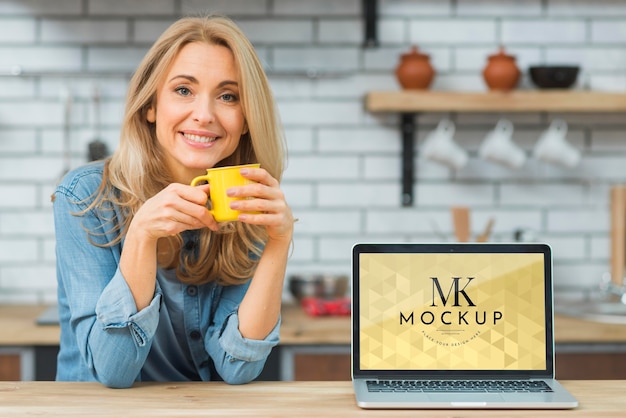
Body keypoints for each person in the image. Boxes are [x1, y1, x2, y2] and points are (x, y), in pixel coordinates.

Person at [52, 14, 294, 388]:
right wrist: (141, 235)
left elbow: (237, 368)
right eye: (184, 90)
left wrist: (279, 243)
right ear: (150, 106)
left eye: (228, 96)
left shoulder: (247, 201)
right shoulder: (85, 197)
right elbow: (112, 371)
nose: (204, 114)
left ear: (246, 118)